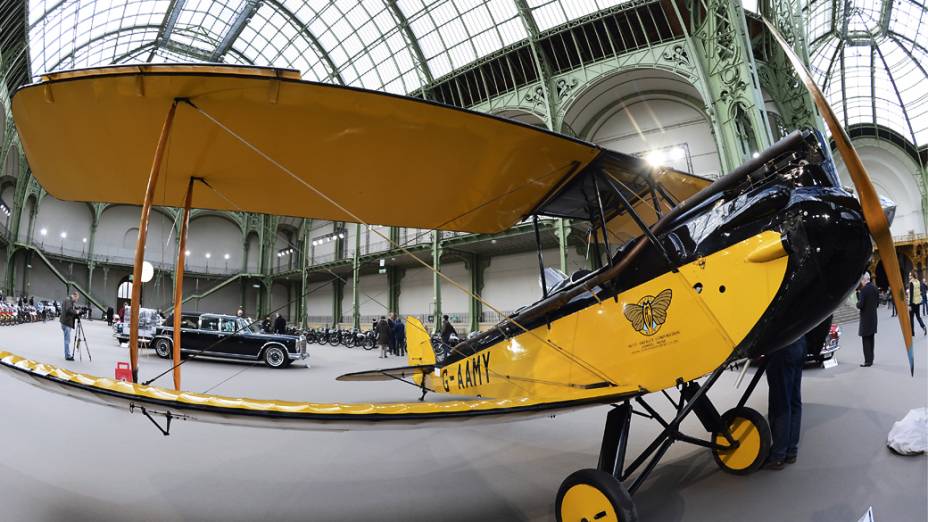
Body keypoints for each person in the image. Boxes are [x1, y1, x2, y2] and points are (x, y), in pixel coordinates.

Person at [764, 335, 806, 470]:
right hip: (799, 343)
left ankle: (778, 455)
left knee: (780, 403)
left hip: (781, 345)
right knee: (794, 400)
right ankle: (791, 451)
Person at [857, 272, 878, 367]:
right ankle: (871, 359)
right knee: (871, 338)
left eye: (861, 280)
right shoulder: (875, 288)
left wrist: (856, 303)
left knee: (865, 339)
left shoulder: (864, 290)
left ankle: (867, 361)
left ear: (864, 279)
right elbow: (877, 304)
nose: (861, 282)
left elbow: (860, 305)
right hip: (873, 317)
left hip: (865, 318)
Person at [60, 291, 80, 361]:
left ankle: (67, 354)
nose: (76, 300)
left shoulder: (68, 300)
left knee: (67, 340)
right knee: (67, 340)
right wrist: (76, 312)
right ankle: (67, 356)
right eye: (77, 299)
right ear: (74, 296)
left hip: (65, 322)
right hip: (66, 323)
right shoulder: (68, 300)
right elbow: (68, 310)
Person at [908, 272, 927, 336]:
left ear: (912, 276)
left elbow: (911, 294)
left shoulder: (911, 283)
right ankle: (923, 326)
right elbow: (919, 291)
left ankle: (912, 333)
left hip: (913, 303)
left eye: (910, 275)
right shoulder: (918, 282)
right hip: (918, 302)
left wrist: (910, 305)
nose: (909, 276)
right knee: (918, 316)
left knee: (911, 318)